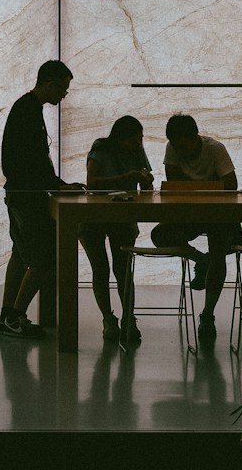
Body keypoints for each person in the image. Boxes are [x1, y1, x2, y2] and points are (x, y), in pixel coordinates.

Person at [0, 60, 82, 341]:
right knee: (46, 257)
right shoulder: (28, 111)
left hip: (20, 194)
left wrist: (56, 185)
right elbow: (33, 162)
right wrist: (57, 186)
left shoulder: (27, 108)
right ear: (50, 84)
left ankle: (7, 316)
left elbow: (30, 161)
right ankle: (15, 316)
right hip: (27, 196)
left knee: (21, 255)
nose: (64, 95)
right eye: (64, 88)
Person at [148, 114, 242, 343]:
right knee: (160, 235)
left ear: (195, 137)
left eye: (183, 146)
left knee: (219, 249)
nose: (179, 151)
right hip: (189, 212)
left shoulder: (215, 148)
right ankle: (202, 261)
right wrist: (211, 186)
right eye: (175, 146)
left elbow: (231, 185)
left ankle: (208, 313)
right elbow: (174, 184)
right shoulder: (172, 147)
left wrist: (191, 187)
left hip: (216, 213)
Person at [83, 114, 152, 345]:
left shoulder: (136, 150)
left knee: (122, 269)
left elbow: (146, 183)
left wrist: (146, 180)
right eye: (133, 140)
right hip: (95, 215)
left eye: (140, 140)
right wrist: (127, 177)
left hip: (122, 213)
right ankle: (108, 318)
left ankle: (128, 318)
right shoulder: (100, 147)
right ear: (120, 138)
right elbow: (91, 183)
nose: (138, 145)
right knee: (101, 268)